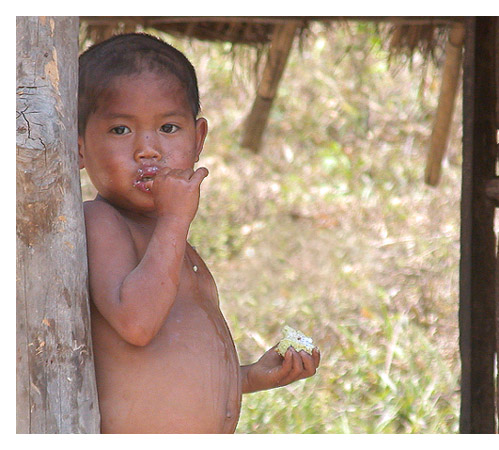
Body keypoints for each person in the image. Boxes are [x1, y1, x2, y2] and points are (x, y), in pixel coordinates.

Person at [78, 33, 320, 434]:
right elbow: (137, 323)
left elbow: (172, 376)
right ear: (78, 146)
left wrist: (251, 376)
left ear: (198, 140)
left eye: (168, 127)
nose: (148, 149)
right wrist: (174, 221)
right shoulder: (103, 222)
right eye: (120, 130)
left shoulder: (178, 249)